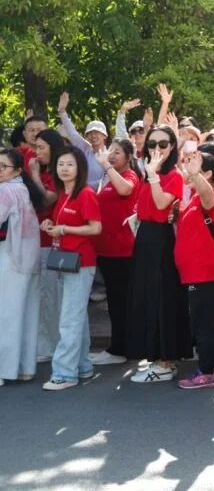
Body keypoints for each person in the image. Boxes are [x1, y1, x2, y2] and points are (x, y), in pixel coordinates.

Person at [127, 125, 191, 383]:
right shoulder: (149, 173)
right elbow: (147, 204)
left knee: (163, 295)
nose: (156, 149)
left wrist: (152, 175)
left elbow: (163, 204)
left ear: (173, 147)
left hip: (162, 240)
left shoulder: (172, 174)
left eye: (163, 144)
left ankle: (166, 362)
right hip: (145, 238)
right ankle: (159, 358)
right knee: (148, 297)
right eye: (152, 144)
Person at [41, 148, 101, 390]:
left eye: (70, 164)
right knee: (77, 317)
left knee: (69, 319)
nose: (64, 168)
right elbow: (65, 223)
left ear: (80, 169)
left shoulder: (85, 194)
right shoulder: (63, 193)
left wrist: (64, 230)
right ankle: (83, 366)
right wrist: (51, 224)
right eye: (61, 164)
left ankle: (65, 374)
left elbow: (95, 227)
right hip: (66, 261)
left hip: (81, 262)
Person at [174, 153, 214, 389]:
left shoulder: (213, 196)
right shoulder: (192, 199)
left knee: (202, 324)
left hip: (204, 272)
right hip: (193, 272)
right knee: (207, 321)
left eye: (193, 167)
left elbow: (209, 198)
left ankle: (206, 372)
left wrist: (195, 174)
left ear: (206, 173)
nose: (186, 170)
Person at [89, 140, 140, 366]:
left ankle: (120, 349)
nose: (110, 156)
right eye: (109, 152)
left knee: (120, 302)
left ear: (129, 157)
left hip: (122, 250)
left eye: (116, 152)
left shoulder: (129, 176)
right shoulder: (105, 179)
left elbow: (126, 190)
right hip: (106, 250)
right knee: (116, 301)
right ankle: (122, 346)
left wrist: (107, 167)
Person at [0, 149, 46, 385]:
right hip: (28, 258)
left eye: (3, 166)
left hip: (10, 257)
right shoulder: (22, 188)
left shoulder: (6, 190)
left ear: (17, 170)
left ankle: (4, 370)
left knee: (6, 314)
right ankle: (25, 367)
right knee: (27, 313)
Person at [30, 128, 63, 362]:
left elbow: (46, 200)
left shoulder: (58, 172)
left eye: (41, 147)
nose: (37, 152)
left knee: (51, 296)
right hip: (36, 240)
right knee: (43, 296)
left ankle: (52, 346)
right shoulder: (42, 170)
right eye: (35, 147)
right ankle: (45, 343)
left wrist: (33, 175)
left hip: (52, 242)